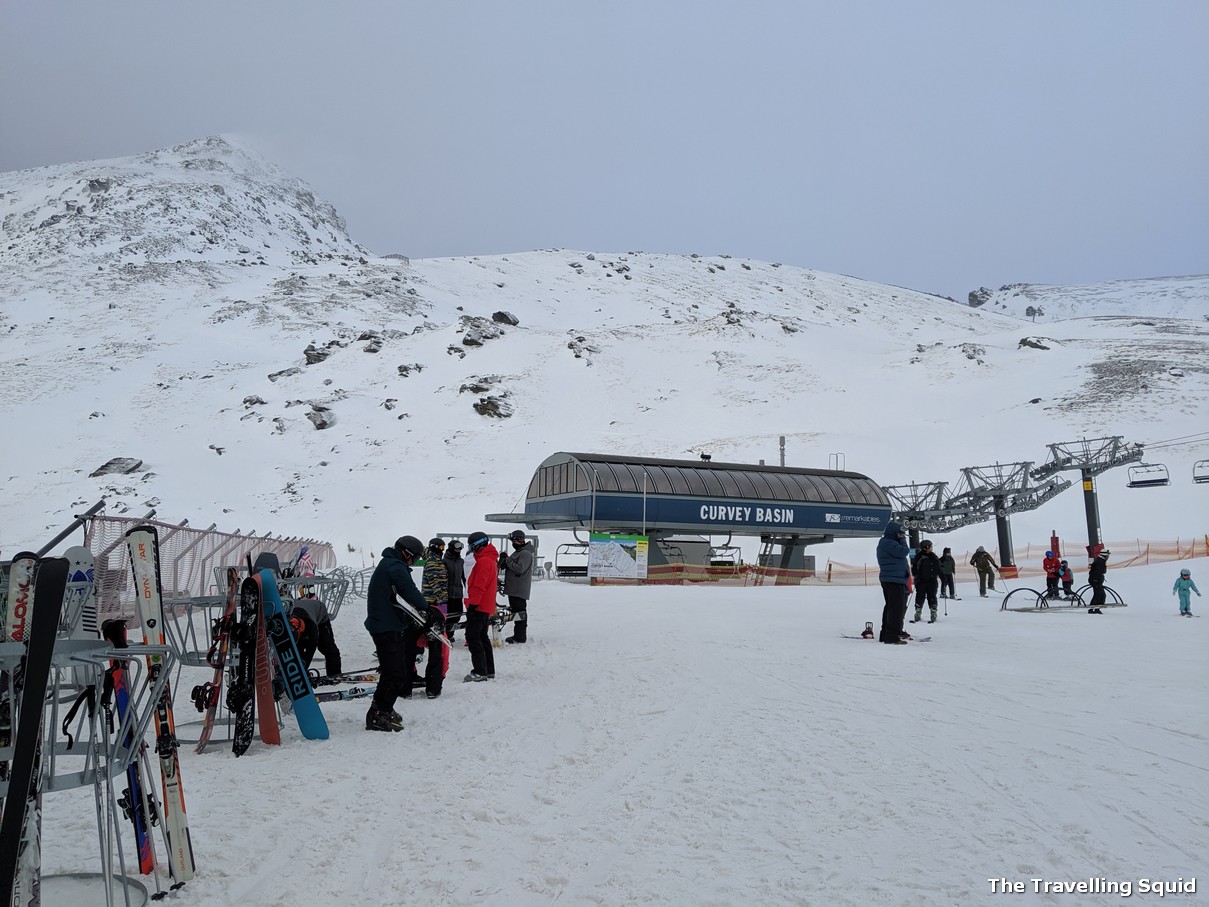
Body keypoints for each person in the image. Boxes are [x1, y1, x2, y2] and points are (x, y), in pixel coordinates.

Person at [363, 535, 443, 732]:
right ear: (406, 553)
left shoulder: (389, 564)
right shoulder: (395, 566)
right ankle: (379, 713)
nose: (414, 562)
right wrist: (427, 608)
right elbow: (409, 590)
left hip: (387, 624)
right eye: (414, 558)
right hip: (386, 626)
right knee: (395, 672)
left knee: (394, 670)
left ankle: (382, 708)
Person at [463, 531, 498, 681]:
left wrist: (472, 605)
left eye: (471, 546)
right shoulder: (490, 559)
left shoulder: (484, 561)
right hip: (485, 606)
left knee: (473, 637)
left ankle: (480, 671)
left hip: (479, 606)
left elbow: (479, 586)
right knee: (482, 637)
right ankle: (488, 669)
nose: (471, 549)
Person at [418, 538, 450, 698]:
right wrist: (444, 601)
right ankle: (434, 685)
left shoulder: (432, 560)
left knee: (434, 644)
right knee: (438, 646)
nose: (442, 550)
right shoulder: (433, 563)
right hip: (435, 606)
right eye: (440, 547)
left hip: (433, 605)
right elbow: (437, 585)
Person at [290, 587, 342, 677]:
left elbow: (310, 650)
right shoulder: (287, 621)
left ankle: (334, 674)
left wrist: (304, 669)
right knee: (298, 649)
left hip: (320, 615)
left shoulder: (312, 626)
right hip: (300, 611)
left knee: (327, 646)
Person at [876, 521, 911, 644]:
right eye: (900, 533)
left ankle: (885, 635)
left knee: (891, 607)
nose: (902, 535)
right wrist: (903, 540)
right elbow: (904, 551)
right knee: (897, 609)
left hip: (892, 578)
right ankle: (892, 636)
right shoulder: (889, 543)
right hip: (894, 579)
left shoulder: (886, 543)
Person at [503, 529, 535, 644]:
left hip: (518, 589)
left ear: (519, 540)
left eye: (514, 540)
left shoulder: (525, 553)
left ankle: (520, 636)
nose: (513, 543)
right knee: (517, 611)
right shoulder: (520, 552)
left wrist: (507, 561)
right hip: (514, 588)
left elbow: (520, 568)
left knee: (520, 612)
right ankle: (518, 635)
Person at [911, 540, 941, 624]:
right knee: (920, 596)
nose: (932, 548)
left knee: (932, 596)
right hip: (921, 581)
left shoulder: (934, 556)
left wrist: (942, 576)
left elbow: (939, 567)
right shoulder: (919, 556)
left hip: (932, 581)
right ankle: (918, 613)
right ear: (926, 547)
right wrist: (917, 577)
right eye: (930, 546)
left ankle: (933, 613)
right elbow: (914, 568)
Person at [443, 538, 466, 642]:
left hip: (457, 593)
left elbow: (464, 577)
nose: (459, 550)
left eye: (460, 548)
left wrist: (468, 589)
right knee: (447, 615)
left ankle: (450, 633)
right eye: (457, 548)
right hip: (446, 594)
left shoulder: (461, 561)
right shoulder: (444, 561)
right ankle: (445, 634)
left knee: (458, 614)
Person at [1087, 548, 1110, 614]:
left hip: (1097, 580)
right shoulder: (1100, 561)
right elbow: (1097, 572)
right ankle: (1093, 609)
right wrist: (1096, 580)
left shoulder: (1101, 560)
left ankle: (1096, 608)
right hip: (1096, 580)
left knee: (1101, 595)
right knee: (1098, 595)